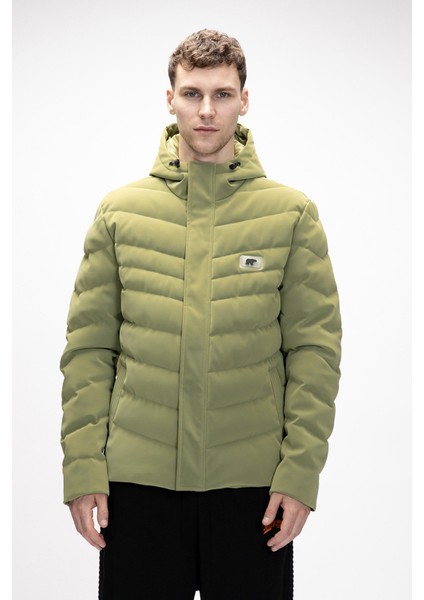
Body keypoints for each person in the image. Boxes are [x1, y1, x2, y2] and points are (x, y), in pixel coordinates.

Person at [60, 29, 342, 600]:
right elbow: (89, 350)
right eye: (192, 93)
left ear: (244, 100)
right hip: (137, 488)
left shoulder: (291, 215)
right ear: (171, 99)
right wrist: (83, 467)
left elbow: (314, 354)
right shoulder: (120, 213)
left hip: (252, 492)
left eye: (222, 94)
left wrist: (300, 474)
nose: (207, 110)